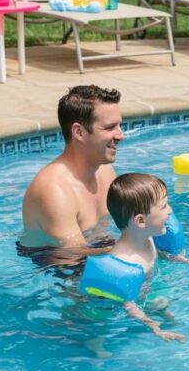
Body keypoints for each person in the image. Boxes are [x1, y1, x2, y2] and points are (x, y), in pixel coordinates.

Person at [79, 173, 189, 341]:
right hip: (112, 310)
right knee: (99, 333)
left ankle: (167, 316)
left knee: (161, 303)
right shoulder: (125, 263)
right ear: (141, 221)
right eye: (164, 206)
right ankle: (95, 346)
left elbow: (164, 255)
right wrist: (155, 328)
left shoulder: (147, 237)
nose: (170, 211)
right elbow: (128, 305)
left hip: (146, 290)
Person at [20, 85, 124, 263]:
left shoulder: (105, 170)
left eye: (119, 126)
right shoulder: (54, 190)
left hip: (99, 251)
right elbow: (72, 256)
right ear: (79, 132)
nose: (121, 135)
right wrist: (132, 246)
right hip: (56, 270)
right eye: (109, 128)